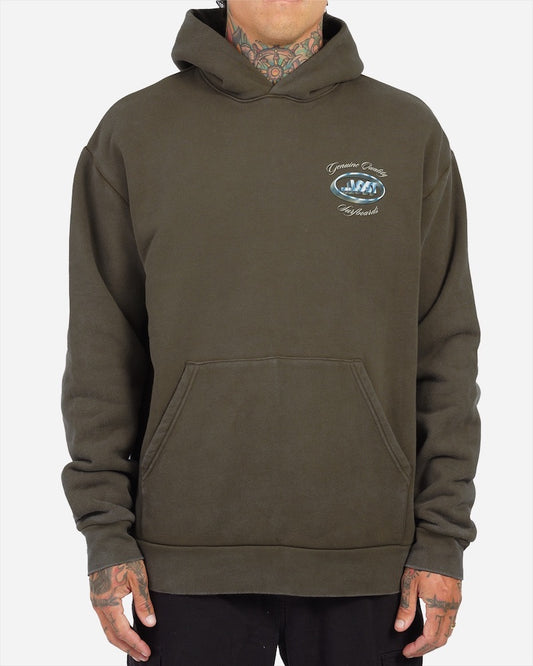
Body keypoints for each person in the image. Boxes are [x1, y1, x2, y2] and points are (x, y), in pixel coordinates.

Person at [60, 0, 482, 664]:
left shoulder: (407, 132)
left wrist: (441, 536)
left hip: (371, 561)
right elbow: (101, 352)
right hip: (180, 563)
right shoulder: (135, 132)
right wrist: (106, 533)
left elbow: (446, 349)